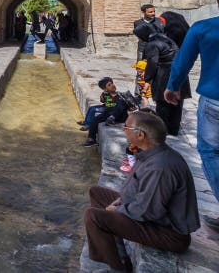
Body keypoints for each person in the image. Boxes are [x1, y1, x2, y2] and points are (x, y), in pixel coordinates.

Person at [82, 111, 200, 271]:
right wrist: (119, 201)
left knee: (93, 216)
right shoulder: (153, 154)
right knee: (97, 192)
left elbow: (148, 211)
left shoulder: (160, 167)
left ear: (140, 135)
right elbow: (137, 191)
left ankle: (119, 267)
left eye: (126, 127)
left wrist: (118, 209)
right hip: (156, 218)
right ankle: (116, 244)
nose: (123, 130)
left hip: (168, 233)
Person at [165, 0, 219, 229]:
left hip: (213, 100)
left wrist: (172, 87)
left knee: (210, 152)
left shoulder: (204, 28)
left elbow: (183, 61)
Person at [134, 22, 191, 136]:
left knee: (163, 104)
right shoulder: (167, 39)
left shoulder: (152, 44)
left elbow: (152, 64)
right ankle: (174, 130)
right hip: (180, 73)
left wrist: (147, 80)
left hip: (164, 74)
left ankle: (162, 131)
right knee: (177, 104)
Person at [82, 77, 129, 147]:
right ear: (105, 89)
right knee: (95, 119)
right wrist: (103, 95)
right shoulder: (106, 95)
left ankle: (112, 117)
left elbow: (129, 106)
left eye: (112, 83)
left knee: (121, 103)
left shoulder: (120, 95)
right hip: (108, 113)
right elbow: (102, 101)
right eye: (109, 85)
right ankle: (91, 139)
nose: (113, 85)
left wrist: (130, 104)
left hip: (119, 116)